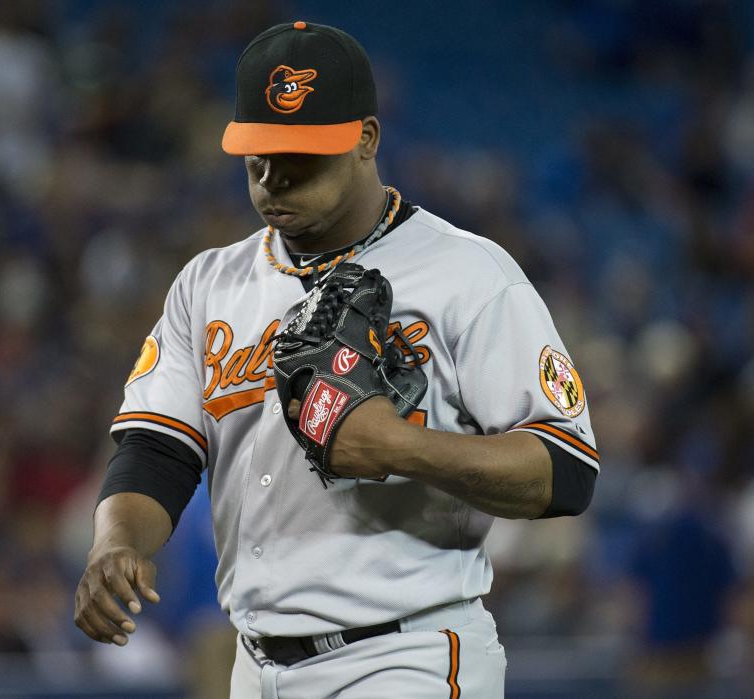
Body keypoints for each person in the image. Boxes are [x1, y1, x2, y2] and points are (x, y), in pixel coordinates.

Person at [75, 21, 598, 698]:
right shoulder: (209, 284)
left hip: (403, 654)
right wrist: (116, 542)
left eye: (301, 154)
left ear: (366, 139)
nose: (275, 178)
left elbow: (567, 469)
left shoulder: (470, 275)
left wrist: (398, 445)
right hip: (252, 663)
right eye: (259, 156)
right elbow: (156, 449)